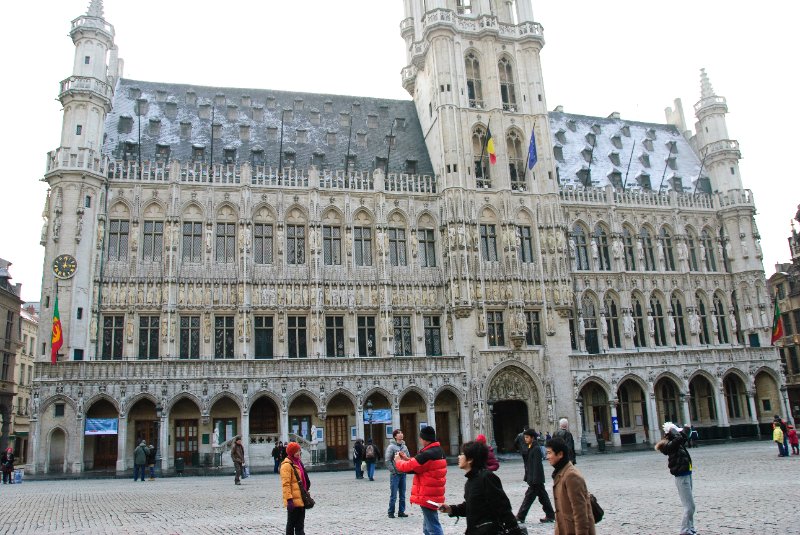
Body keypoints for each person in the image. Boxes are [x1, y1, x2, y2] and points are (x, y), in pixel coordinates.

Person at [439, 441, 522, 534]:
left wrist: (514, 530)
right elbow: (472, 506)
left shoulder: (487, 478)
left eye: (462, 454)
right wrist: (451, 509)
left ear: (470, 459)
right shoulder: (470, 481)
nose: (459, 457)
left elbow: (502, 506)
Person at [394, 425, 447, 535]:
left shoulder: (427, 454)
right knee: (427, 527)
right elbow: (421, 466)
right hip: (434, 492)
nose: (420, 440)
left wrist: (398, 461)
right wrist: (407, 459)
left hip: (427, 494)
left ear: (424, 439)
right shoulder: (438, 450)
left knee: (433, 527)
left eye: (421, 438)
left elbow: (409, 467)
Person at [545, 437, 595, 535]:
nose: (547, 457)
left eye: (549, 453)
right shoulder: (561, 472)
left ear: (560, 454)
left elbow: (580, 512)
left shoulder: (571, 475)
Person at [656, 422, 696, 535]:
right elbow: (679, 438)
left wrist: (687, 428)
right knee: (689, 506)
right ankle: (685, 530)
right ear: (672, 433)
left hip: (687, 474)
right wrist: (672, 429)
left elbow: (683, 437)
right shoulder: (670, 445)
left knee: (690, 506)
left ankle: (690, 528)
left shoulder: (676, 443)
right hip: (681, 476)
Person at [517, 429, 555, 524]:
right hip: (534, 478)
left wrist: (534, 479)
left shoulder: (536, 448)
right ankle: (550, 515)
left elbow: (537, 465)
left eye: (527, 437)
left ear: (532, 438)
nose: (525, 439)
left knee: (529, 497)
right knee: (543, 497)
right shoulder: (530, 447)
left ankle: (521, 516)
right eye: (525, 437)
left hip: (536, 479)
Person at [281, 442, 310, 535]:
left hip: (301, 498)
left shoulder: (298, 462)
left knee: (300, 526)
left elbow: (304, 478)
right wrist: (289, 500)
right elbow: (286, 484)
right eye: (296, 451)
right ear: (291, 452)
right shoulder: (286, 465)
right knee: (291, 524)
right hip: (293, 500)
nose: (299, 453)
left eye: (299, 451)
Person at [385, 428, 410, 518]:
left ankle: (401, 511)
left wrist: (406, 467)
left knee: (402, 495)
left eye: (401, 433)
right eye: (399, 433)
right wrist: (393, 471)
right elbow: (387, 460)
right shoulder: (391, 447)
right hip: (395, 474)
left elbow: (408, 458)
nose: (401, 434)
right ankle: (391, 512)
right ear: (395, 436)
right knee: (394, 495)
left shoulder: (404, 447)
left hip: (403, 473)